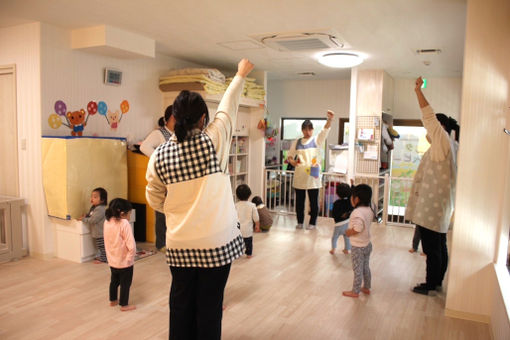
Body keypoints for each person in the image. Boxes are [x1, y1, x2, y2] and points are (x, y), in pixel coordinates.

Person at [145, 58, 254, 340]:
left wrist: (177, 209)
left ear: (174, 118)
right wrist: (240, 74)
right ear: (203, 119)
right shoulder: (214, 141)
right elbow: (227, 108)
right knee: (209, 307)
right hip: (216, 243)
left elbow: (154, 198)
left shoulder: (159, 155)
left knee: (180, 305)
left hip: (180, 244)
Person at [406, 76, 459, 296]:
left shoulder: (443, 141)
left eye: (430, 128)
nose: (427, 131)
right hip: (439, 207)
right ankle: (436, 282)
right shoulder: (452, 145)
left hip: (433, 208)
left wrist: (418, 91)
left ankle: (430, 284)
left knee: (432, 247)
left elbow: (429, 118)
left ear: (440, 128)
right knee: (439, 245)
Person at [287, 111, 334, 230]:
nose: (307, 132)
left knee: (314, 202)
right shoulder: (297, 142)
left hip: (313, 175)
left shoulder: (317, 140)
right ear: (302, 130)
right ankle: (300, 222)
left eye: (309, 129)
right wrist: (293, 162)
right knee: (299, 202)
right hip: (300, 175)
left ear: (312, 130)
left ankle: (313, 222)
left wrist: (329, 119)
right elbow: (290, 157)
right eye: (305, 130)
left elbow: (325, 130)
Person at [140, 105, 176, 251]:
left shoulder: (177, 134)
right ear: (169, 119)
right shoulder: (159, 134)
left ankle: (172, 241)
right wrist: (160, 158)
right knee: (161, 211)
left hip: (174, 178)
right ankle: (161, 243)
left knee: (172, 210)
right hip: (162, 178)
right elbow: (144, 147)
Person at [103, 198, 136, 311]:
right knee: (125, 284)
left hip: (112, 260)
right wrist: (130, 258)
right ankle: (124, 305)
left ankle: (113, 300)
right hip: (125, 262)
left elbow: (107, 241)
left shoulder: (107, 221)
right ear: (122, 213)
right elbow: (131, 244)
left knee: (114, 281)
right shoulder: (124, 223)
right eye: (129, 213)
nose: (129, 216)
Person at [342, 184, 374, 298]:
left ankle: (355, 291)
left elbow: (358, 228)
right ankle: (366, 287)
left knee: (357, 269)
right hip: (367, 244)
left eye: (352, 196)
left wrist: (349, 232)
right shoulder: (369, 209)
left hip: (358, 246)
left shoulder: (357, 212)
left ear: (356, 199)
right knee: (365, 267)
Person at [79, 187, 107, 264]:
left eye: (95, 197)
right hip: (97, 232)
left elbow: (93, 220)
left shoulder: (100, 209)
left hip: (101, 232)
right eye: (91, 196)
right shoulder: (94, 207)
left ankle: (104, 258)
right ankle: (103, 256)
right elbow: (91, 214)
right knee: (100, 245)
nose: (92, 198)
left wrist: (83, 219)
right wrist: (86, 215)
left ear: (102, 200)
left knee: (102, 246)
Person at [235, 184, 260, 258]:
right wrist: (257, 225)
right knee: (248, 243)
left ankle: (237, 253)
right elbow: (256, 217)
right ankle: (249, 254)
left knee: (238, 243)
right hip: (248, 230)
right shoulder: (252, 205)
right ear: (249, 195)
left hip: (237, 230)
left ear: (237, 195)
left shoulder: (235, 205)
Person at [329, 182, 353, 255]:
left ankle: (333, 248)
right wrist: (352, 185)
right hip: (348, 223)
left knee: (335, 237)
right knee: (347, 237)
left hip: (339, 224)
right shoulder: (349, 201)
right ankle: (347, 249)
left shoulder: (336, 203)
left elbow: (334, 214)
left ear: (337, 193)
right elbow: (351, 194)